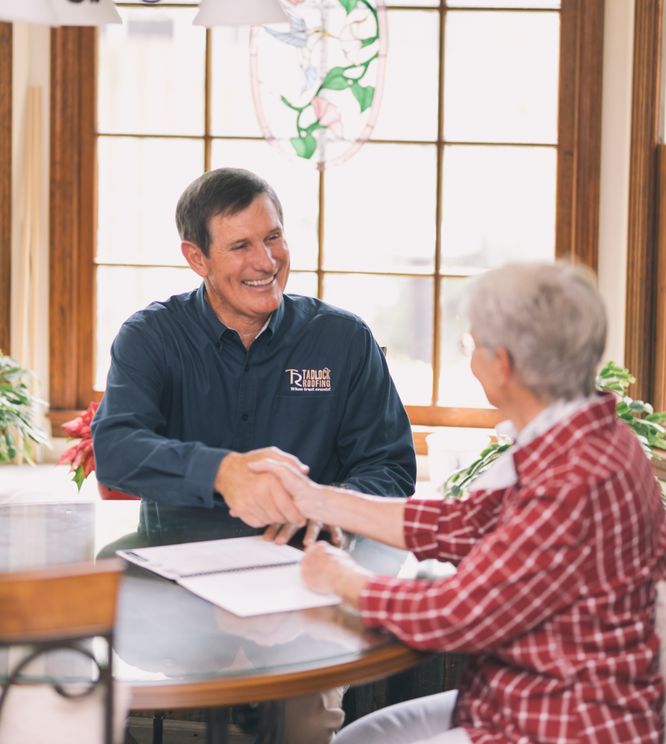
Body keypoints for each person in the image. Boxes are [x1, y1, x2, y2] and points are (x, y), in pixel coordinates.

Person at [251, 261, 666, 743]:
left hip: (562, 719)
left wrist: (341, 578)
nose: (470, 359)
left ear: (503, 364)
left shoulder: (574, 478)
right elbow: (464, 526)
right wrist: (318, 499)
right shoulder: (585, 435)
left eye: (471, 345)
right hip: (525, 692)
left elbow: (454, 614)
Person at [91, 166, 417, 744]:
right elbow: (116, 449)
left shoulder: (343, 340)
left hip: (309, 582)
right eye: (241, 245)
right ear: (197, 257)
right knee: (94, 695)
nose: (266, 261)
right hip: (176, 587)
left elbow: (391, 465)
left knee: (303, 718)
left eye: (273, 237)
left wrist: (326, 504)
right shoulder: (149, 337)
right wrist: (221, 472)